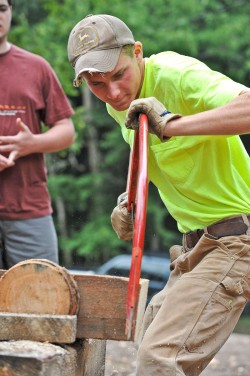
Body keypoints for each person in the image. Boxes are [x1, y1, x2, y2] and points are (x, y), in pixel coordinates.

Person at [67, 14, 250, 376]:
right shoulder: (119, 105)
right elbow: (153, 161)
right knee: (151, 340)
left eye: (119, 75)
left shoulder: (175, 74)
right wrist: (127, 202)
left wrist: (172, 124)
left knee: (159, 360)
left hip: (236, 239)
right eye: (98, 85)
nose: (114, 92)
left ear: (137, 52)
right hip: (193, 247)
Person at [0, 0, 75, 269]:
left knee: (42, 298)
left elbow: (67, 132)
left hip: (28, 209)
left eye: (2, 8)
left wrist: (32, 143)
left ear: (11, 12)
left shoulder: (36, 67)